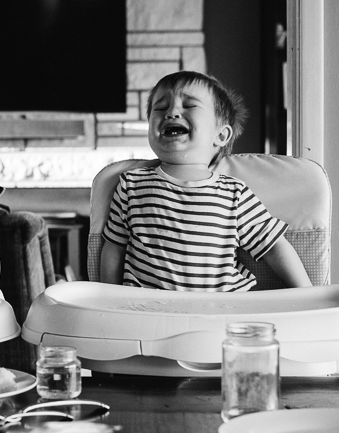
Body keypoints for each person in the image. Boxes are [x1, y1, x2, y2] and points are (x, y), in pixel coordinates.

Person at [99, 71, 312, 291]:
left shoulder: (234, 193)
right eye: (160, 108)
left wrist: (306, 294)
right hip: (149, 311)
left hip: (220, 311)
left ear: (220, 135)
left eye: (189, 105)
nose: (171, 112)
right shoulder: (131, 185)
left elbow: (274, 246)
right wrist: (108, 298)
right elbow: (114, 247)